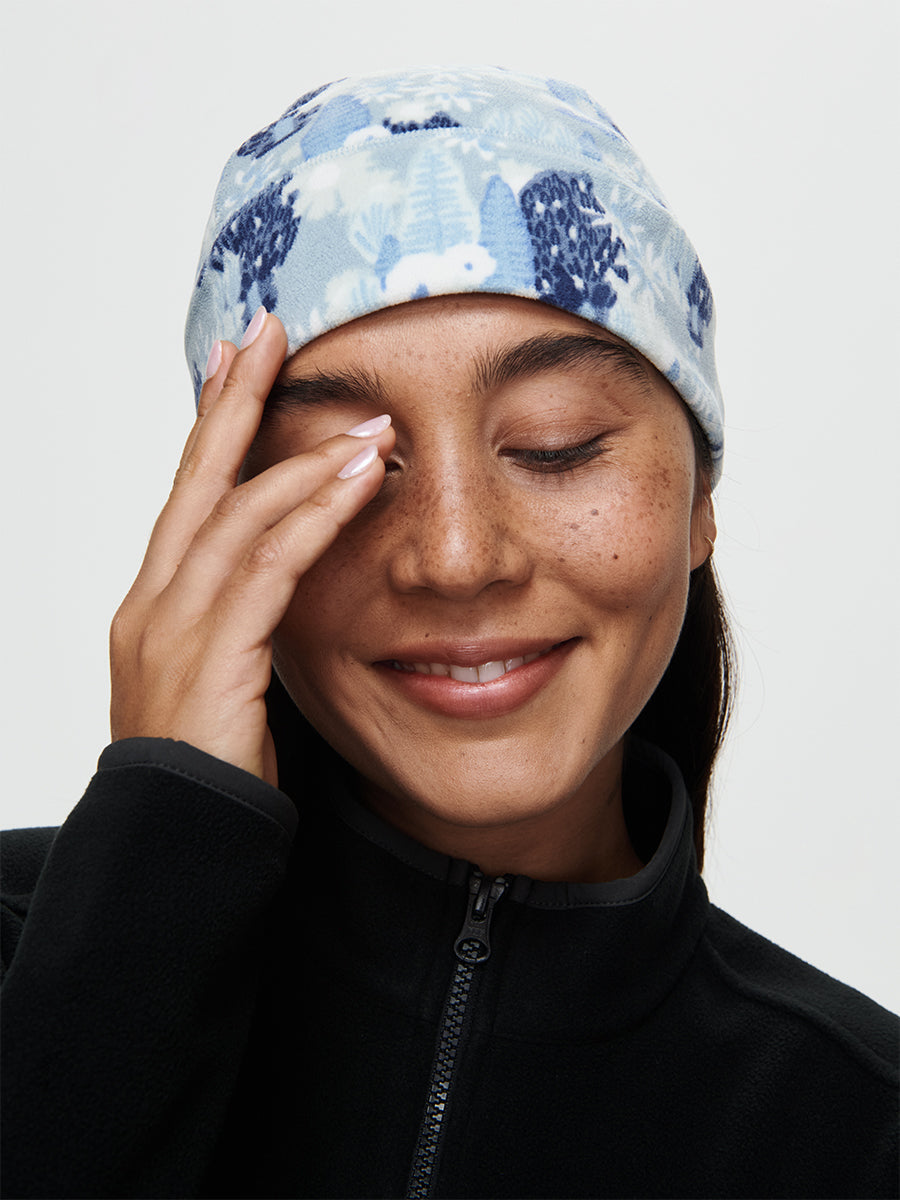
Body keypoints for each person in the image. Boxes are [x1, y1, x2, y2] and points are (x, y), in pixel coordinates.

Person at [1, 66, 896, 1200]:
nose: (458, 558)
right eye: (347, 466)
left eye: (556, 446)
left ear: (698, 504)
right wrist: (154, 866)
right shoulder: (27, 958)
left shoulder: (861, 1130)